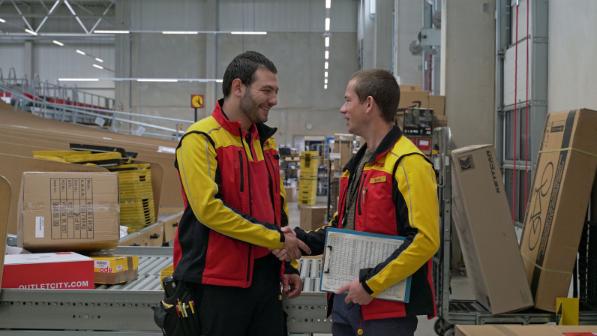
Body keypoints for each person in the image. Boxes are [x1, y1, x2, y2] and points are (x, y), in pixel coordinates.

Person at [278, 69, 440, 336]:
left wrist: (370, 285)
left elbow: (424, 239)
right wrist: (300, 239)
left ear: (369, 104)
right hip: (347, 299)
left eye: (347, 100)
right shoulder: (358, 165)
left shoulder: (408, 163)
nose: (342, 109)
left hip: (385, 308)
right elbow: (342, 226)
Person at [172, 51, 310, 336]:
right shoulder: (200, 140)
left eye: (276, 91)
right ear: (238, 87)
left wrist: (287, 263)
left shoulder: (263, 142)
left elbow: (276, 207)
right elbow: (209, 210)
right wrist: (276, 238)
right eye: (266, 90)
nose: (274, 100)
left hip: (265, 280)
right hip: (217, 285)